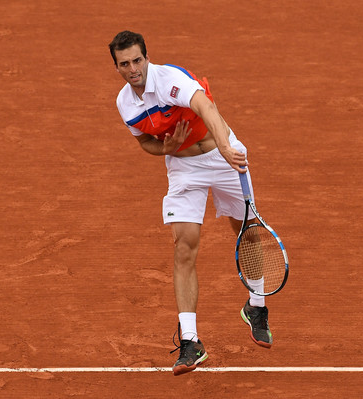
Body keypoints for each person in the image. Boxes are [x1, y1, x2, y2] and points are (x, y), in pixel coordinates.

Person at [109, 30, 273, 376]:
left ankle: (256, 305)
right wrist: (165, 149)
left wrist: (228, 147)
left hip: (222, 156)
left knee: (248, 232)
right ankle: (190, 341)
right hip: (184, 169)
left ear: (147, 57)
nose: (133, 68)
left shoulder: (171, 80)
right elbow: (146, 144)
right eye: (125, 64)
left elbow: (205, 107)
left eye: (138, 60)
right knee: (184, 246)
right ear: (118, 68)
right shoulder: (125, 103)